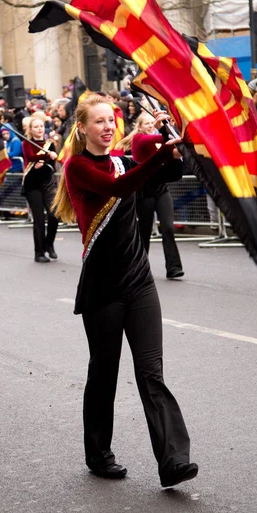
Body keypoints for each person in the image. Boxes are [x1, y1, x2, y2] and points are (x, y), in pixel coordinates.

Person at [52, 95, 197, 487]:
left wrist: (168, 136)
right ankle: (98, 454)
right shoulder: (78, 167)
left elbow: (170, 173)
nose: (107, 127)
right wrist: (155, 155)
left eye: (111, 120)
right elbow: (119, 188)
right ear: (82, 128)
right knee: (105, 373)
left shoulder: (123, 160)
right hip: (103, 288)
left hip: (139, 283)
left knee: (152, 372)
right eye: (98, 121)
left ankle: (173, 461)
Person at [117, 111, 184, 278]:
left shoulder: (160, 142)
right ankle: (139, 268)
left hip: (161, 189)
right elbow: (162, 140)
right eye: (147, 123)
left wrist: (170, 130)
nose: (150, 125)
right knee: (144, 230)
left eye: (152, 122)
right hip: (144, 191)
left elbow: (171, 149)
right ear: (140, 126)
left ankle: (174, 267)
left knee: (168, 227)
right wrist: (167, 129)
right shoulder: (139, 140)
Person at [22, 118, 59, 263]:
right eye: (36, 127)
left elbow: (52, 161)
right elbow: (30, 156)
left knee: (54, 214)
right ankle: (39, 252)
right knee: (38, 218)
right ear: (31, 129)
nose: (39, 129)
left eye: (41, 126)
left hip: (47, 183)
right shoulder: (27, 143)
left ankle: (49, 244)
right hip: (32, 184)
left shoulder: (49, 144)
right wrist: (45, 156)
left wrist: (46, 159)